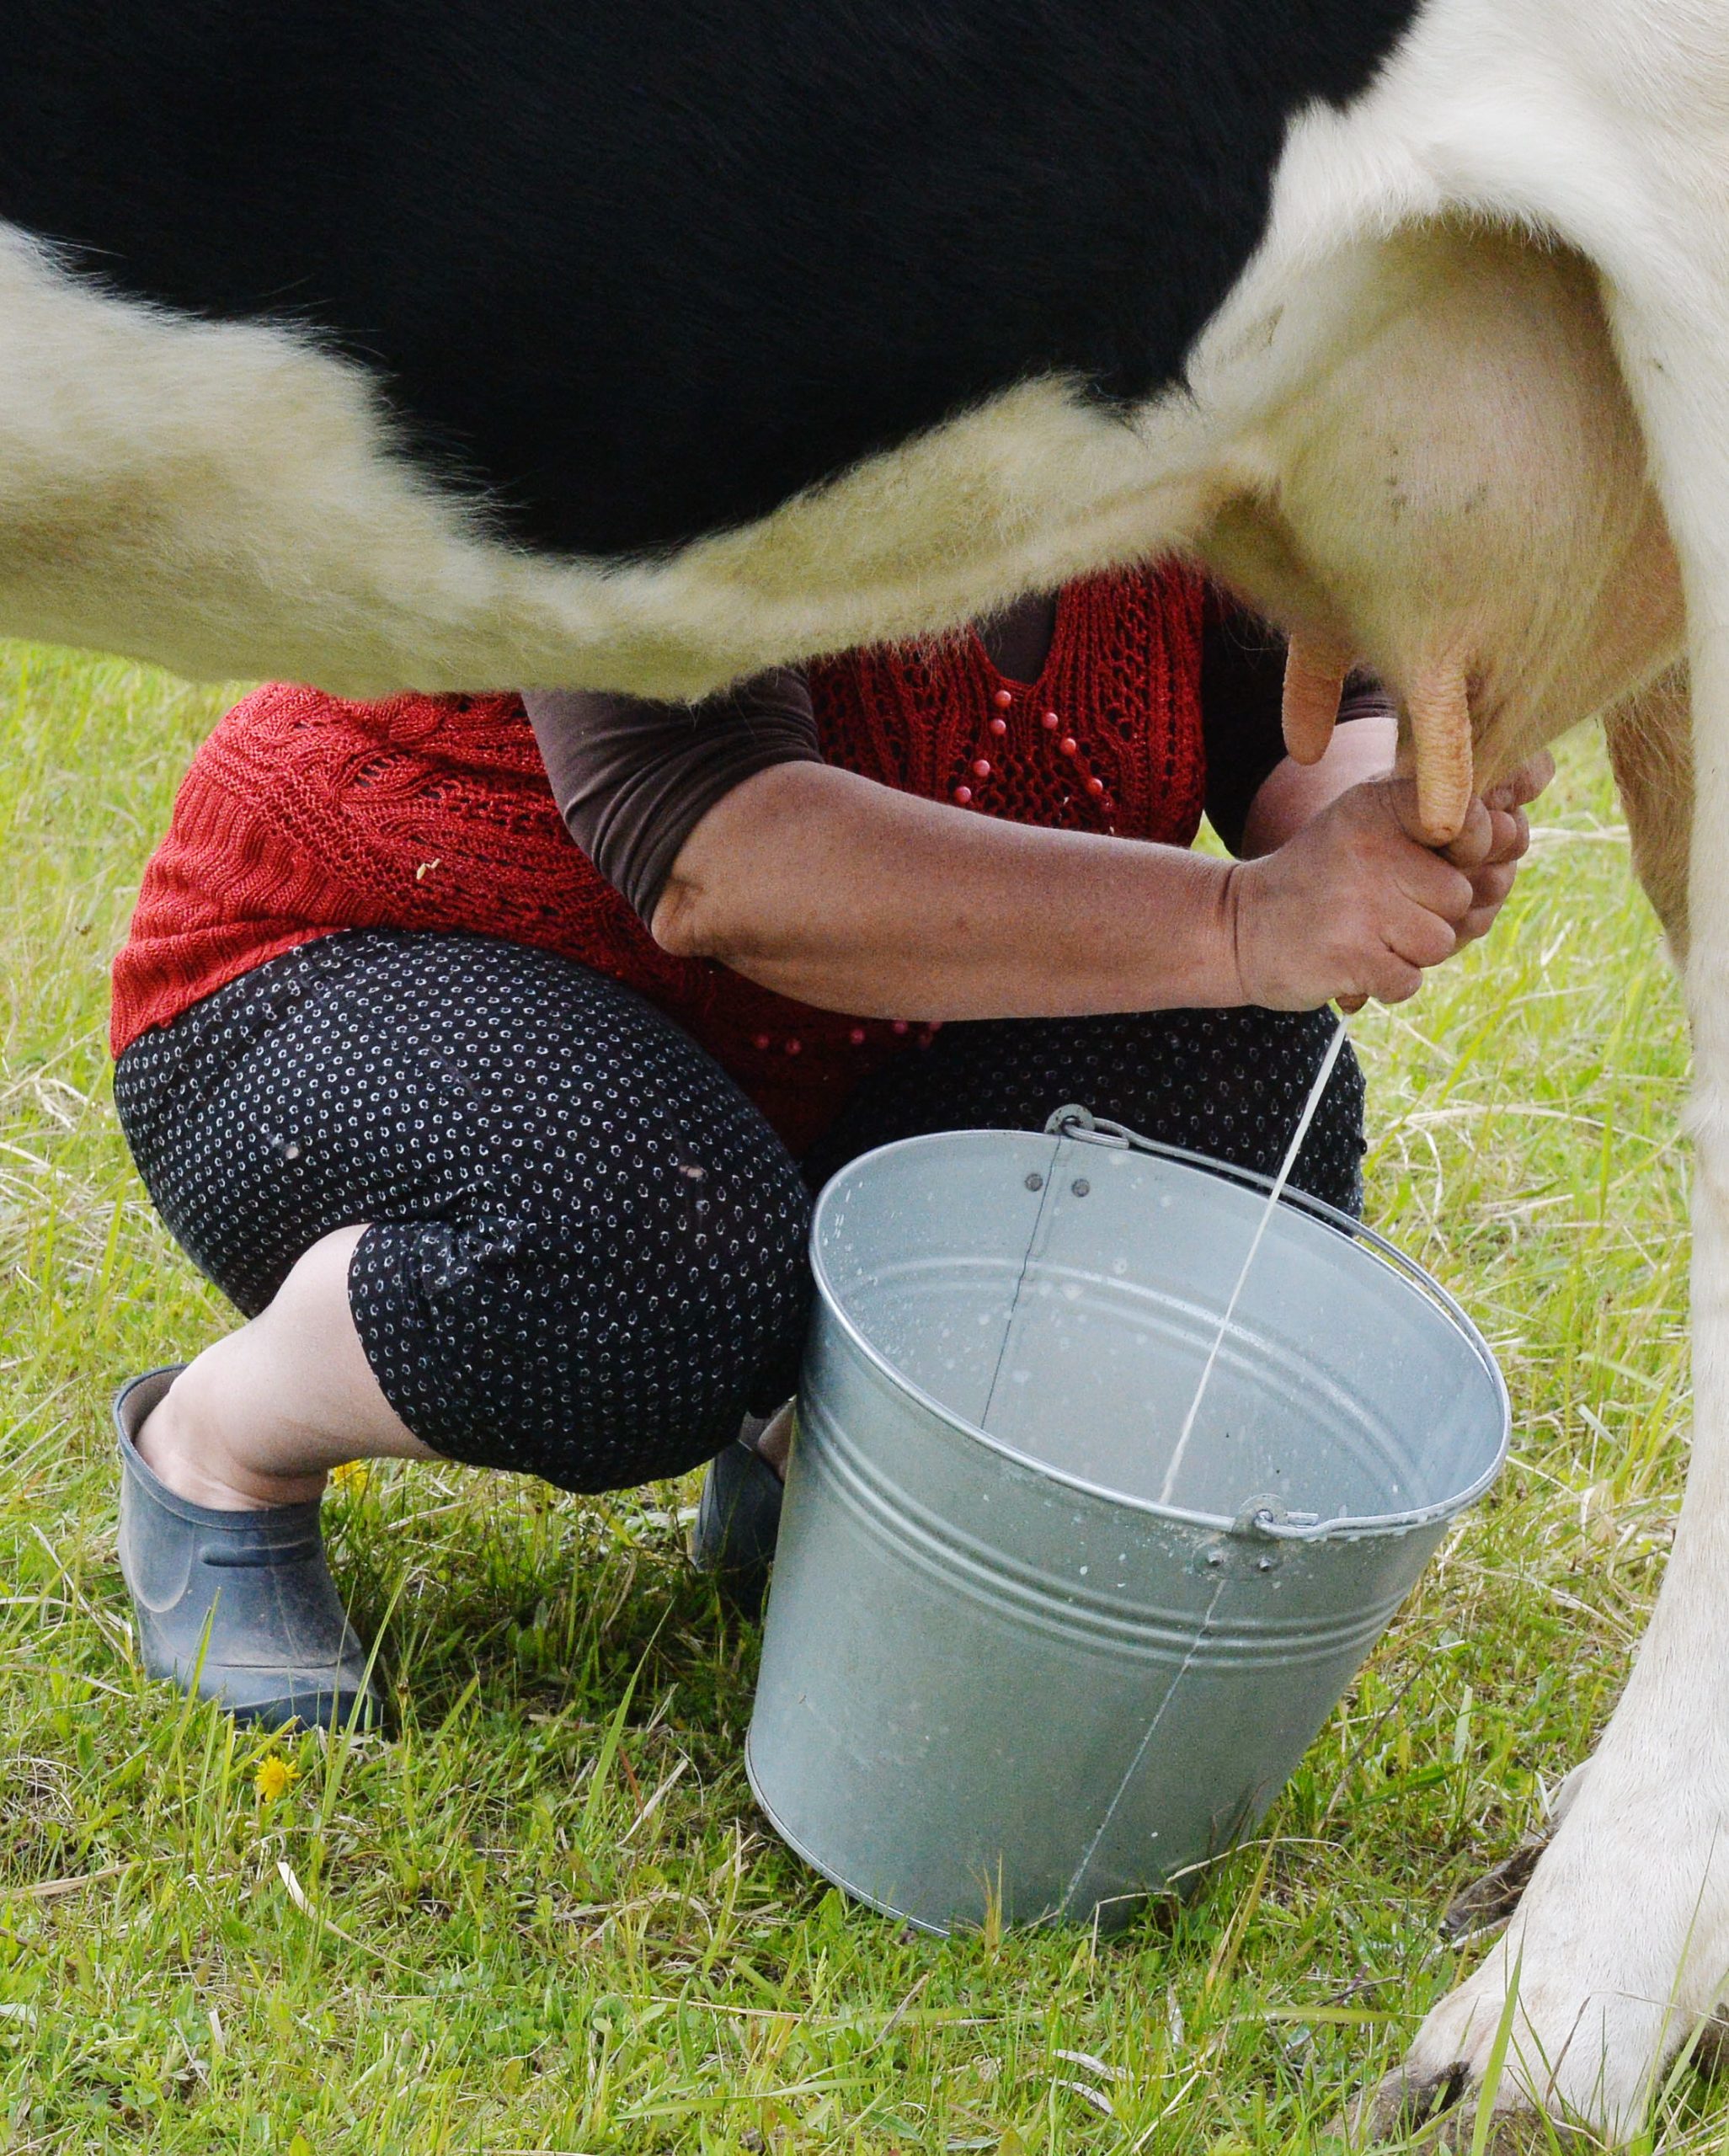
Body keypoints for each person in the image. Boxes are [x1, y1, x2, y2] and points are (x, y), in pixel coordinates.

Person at [106, 563, 1546, 1729]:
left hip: (804, 1080)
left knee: (1231, 1067)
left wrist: (1403, 804)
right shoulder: (697, 339)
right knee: (658, 1259)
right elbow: (722, 853)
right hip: (348, 970)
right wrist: (1246, 921)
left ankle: (823, 1475)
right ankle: (225, 1442)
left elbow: (1299, 731)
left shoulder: (1172, 393)